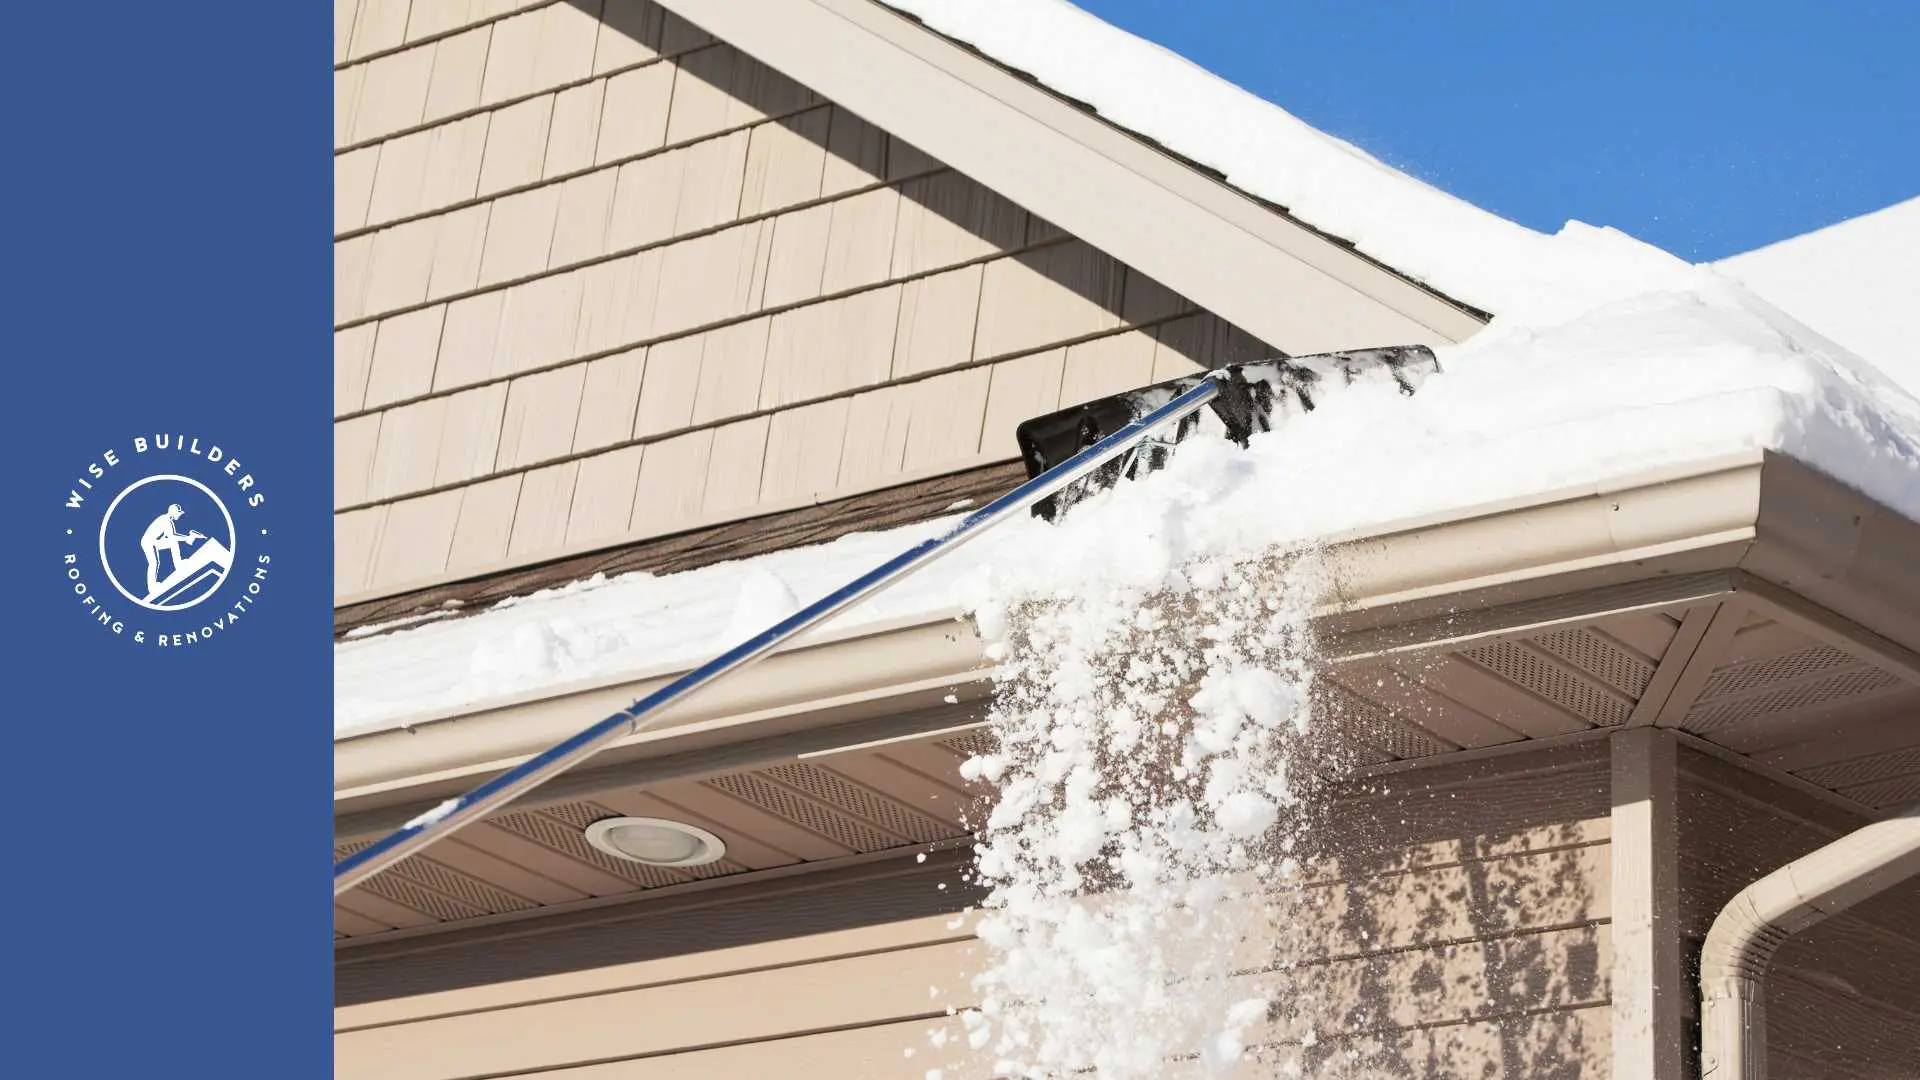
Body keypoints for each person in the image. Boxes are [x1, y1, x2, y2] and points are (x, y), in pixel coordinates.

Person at [141, 503, 205, 596]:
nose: (179, 515)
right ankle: (152, 587)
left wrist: (187, 538)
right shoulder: (166, 521)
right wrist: (187, 538)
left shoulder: (167, 520)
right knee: (154, 562)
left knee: (173, 543)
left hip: (155, 541)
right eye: (178, 513)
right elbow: (172, 536)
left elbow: (171, 536)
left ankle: (178, 564)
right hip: (149, 542)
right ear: (173, 512)